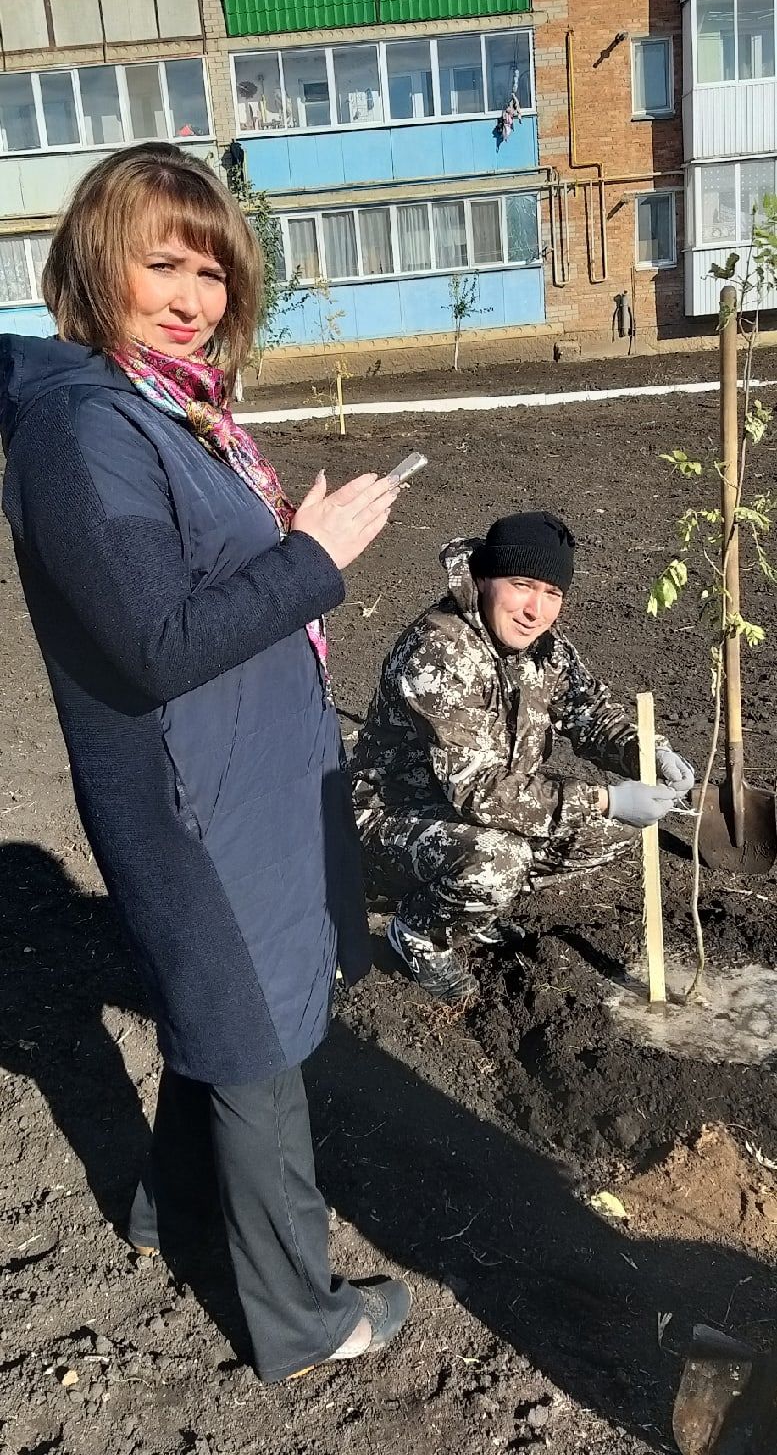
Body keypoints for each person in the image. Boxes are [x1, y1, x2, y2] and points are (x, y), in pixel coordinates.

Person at [0, 143, 412, 1383]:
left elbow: (187, 580)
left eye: (214, 268)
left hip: (236, 776)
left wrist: (287, 543)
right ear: (93, 265)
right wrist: (314, 555)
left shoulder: (167, 407)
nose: (194, 293)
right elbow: (155, 637)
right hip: (192, 798)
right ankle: (301, 1316)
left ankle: (165, 1212)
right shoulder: (83, 431)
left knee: (224, 1010)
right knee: (253, 1042)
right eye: (161, 262)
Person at [351, 511, 694, 1004]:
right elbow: (476, 789)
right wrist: (601, 798)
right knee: (500, 857)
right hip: (388, 820)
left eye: (552, 593)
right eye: (522, 584)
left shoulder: (544, 647)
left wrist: (648, 751)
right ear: (486, 579)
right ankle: (419, 934)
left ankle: (476, 906)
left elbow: (591, 713)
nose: (536, 609)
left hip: (479, 810)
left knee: (621, 829)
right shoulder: (440, 652)